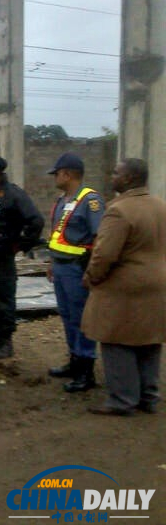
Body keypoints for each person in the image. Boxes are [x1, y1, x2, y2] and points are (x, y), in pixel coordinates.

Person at [81, 159, 166, 416]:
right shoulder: (160, 205)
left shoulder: (119, 210)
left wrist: (92, 277)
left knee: (116, 340)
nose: (112, 175)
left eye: (116, 172)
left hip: (124, 287)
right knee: (150, 340)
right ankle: (148, 396)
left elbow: (105, 254)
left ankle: (122, 400)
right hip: (157, 284)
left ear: (128, 179)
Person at [0, 154, 44, 360]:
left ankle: (6, 342)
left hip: (3, 257)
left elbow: (35, 221)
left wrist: (21, 245)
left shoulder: (13, 194)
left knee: (4, 299)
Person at [45, 153, 105, 393]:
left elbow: (100, 237)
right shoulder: (63, 200)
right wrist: (51, 261)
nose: (55, 178)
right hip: (60, 267)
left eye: (57, 173)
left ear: (67, 174)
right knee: (68, 315)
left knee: (82, 318)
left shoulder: (90, 201)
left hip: (77, 267)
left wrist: (92, 270)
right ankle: (74, 361)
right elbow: (57, 235)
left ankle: (86, 370)